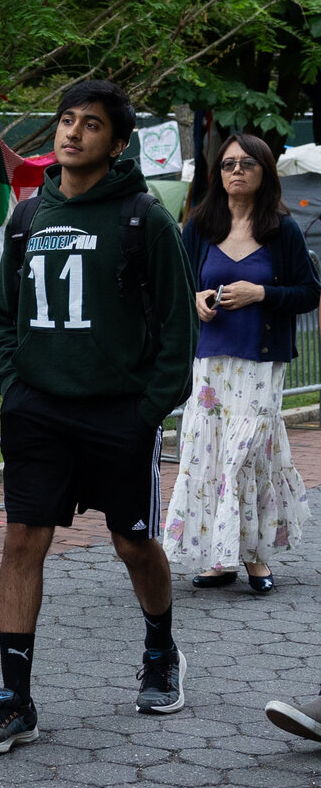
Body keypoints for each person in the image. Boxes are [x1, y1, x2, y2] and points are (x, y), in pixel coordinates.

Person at [0, 80, 199, 756]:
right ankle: (15, 700)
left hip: (118, 412)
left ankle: (160, 648)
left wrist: (149, 408)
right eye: (66, 120)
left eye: (90, 124)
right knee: (21, 542)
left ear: (117, 142)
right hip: (39, 409)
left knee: (132, 544)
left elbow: (179, 327)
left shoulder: (142, 217)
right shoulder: (27, 215)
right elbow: (3, 313)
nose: (72, 133)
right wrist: (14, 384)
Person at [166, 133, 316, 591]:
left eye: (246, 164)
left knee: (246, 456)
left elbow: (309, 292)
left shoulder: (282, 229)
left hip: (258, 363)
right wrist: (194, 299)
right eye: (228, 164)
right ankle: (220, 557)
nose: (235, 171)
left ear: (263, 172)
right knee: (210, 457)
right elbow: (179, 283)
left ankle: (255, 557)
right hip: (209, 363)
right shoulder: (200, 226)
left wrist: (262, 293)